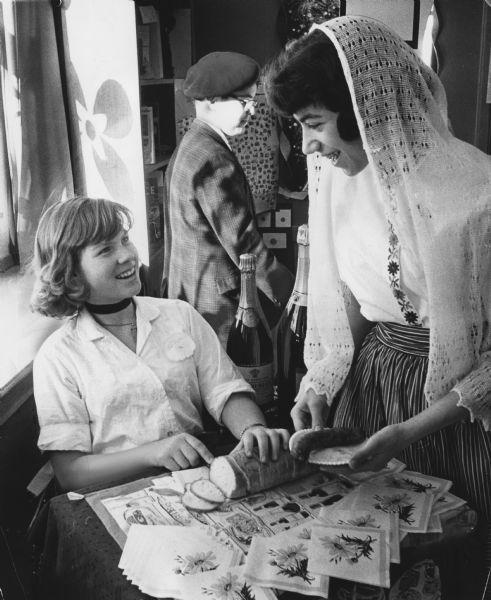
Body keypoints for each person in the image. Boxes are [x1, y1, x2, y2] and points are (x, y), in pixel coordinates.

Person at [263, 15, 491, 595]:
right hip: (375, 386)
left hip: (458, 409)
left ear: (367, 105)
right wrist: (323, 380)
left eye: (315, 123)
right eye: (300, 127)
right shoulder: (340, 183)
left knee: (454, 558)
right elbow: (360, 301)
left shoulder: (476, 195)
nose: (308, 145)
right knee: (365, 562)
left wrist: (410, 430)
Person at [30, 196, 290, 491]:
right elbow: (72, 473)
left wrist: (252, 428)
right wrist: (154, 452)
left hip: (194, 481)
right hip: (116, 495)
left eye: (125, 240)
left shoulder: (179, 315)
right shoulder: (58, 356)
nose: (127, 255)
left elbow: (225, 390)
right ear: (71, 274)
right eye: (105, 250)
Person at [163, 51, 294, 346]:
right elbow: (247, 248)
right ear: (210, 100)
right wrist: (296, 296)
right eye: (243, 102)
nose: (253, 110)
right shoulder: (213, 159)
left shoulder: (191, 144)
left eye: (253, 101)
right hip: (216, 309)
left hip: (192, 299)